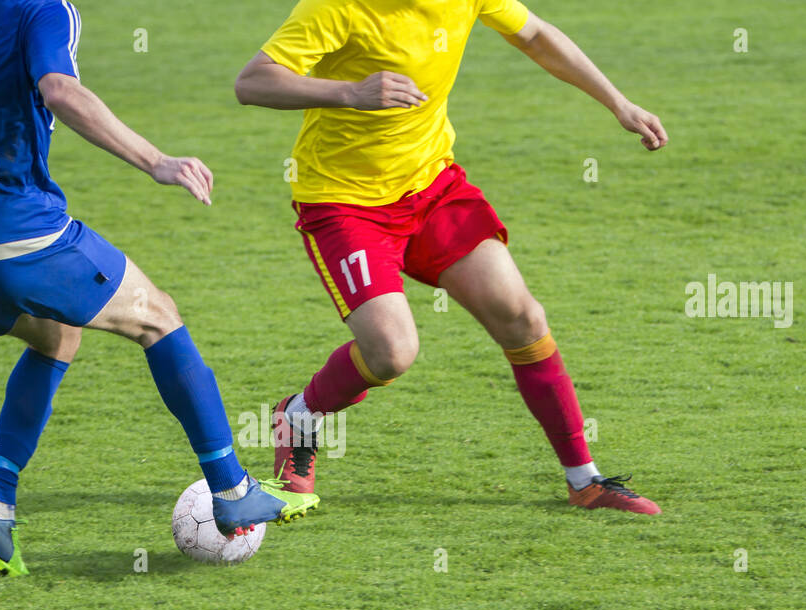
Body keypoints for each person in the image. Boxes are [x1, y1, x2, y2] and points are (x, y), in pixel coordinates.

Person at [0, 0, 319, 576]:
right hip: (13, 237)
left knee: (56, 338)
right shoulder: (46, 10)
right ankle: (232, 487)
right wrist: (157, 161)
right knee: (157, 317)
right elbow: (60, 90)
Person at [235, 0, 667, 513]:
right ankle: (300, 417)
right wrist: (351, 92)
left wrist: (618, 103)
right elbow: (253, 81)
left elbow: (534, 36)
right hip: (345, 201)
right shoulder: (336, 6)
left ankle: (585, 481)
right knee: (391, 354)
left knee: (522, 318)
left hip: (432, 188)